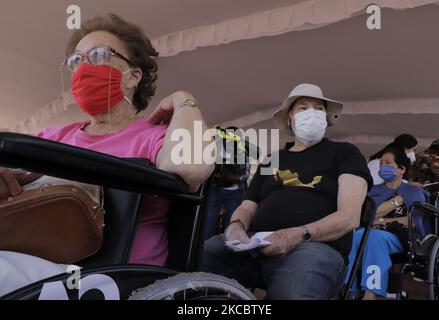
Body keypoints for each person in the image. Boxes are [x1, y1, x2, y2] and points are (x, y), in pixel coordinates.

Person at [0, 14, 214, 296]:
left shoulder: (153, 136)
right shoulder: (52, 137)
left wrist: (184, 99)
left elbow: (190, 166)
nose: (84, 68)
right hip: (32, 257)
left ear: (133, 76)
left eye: (98, 55)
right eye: (76, 61)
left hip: (111, 276)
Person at [202, 83, 372, 299]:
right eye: (303, 108)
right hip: (255, 243)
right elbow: (247, 205)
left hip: (315, 246)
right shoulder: (273, 158)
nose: (312, 112)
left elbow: (349, 217)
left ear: (326, 118)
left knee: (292, 291)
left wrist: (295, 234)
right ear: (290, 118)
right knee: (199, 259)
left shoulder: (345, 152)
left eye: (319, 108)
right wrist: (236, 226)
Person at [346, 146, 427, 299]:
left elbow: (415, 221)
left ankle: (371, 292)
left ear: (401, 169)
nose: (383, 166)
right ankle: (349, 288)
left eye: (388, 163)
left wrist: (383, 220)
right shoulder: (372, 190)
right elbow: (366, 216)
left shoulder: (413, 191)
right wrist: (396, 201)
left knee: (374, 237)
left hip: (403, 236)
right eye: (381, 163)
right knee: (356, 237)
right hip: (370, 231)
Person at [204, 127, 250, 240]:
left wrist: (230, 178)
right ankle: (204, 247)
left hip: (235, 192)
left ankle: (227, 247)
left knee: (231, 222)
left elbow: (245, 176)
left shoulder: (242, 153)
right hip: (216, 189)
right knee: (208, 221)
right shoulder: (216, 150)